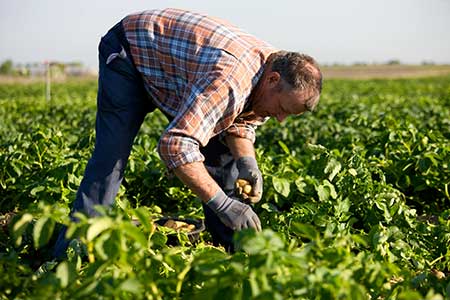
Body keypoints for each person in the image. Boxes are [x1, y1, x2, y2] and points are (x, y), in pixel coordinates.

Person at [53, 8, 322, 257]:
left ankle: (229, 251)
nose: (281, 119)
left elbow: (240, 118)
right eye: (283, 108)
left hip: (176, 74)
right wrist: (223, 204)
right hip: (130, 54)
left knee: (221, 154)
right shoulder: (230, 82)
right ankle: (71, 255)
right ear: (273, 80)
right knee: (110, 160)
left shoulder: (274, 69)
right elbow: (175, 146)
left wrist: (247, 162)